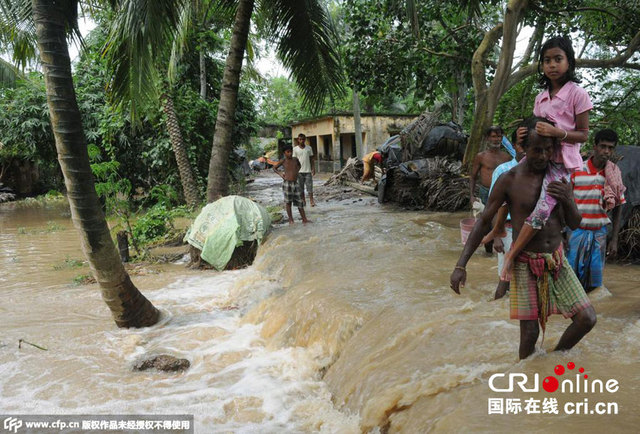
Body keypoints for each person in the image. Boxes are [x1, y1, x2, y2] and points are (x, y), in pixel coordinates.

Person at [450, 117, 596, 360]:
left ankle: (554, 358)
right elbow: (484, 220)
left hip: (556, 259)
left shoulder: (558, 176)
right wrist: (460, 265)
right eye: (536, 150)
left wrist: (568, 200)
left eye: (548, 150)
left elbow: (574, 223)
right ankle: (528, 375)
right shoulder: (510, 179)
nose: (543, 156)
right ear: (523, 149)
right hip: (524, 262)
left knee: (587, 319)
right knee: (529, 334)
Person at [499, 36, 593, 281]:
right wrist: (521, 132)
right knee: (508, 182)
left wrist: (557, 133)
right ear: (541, 65)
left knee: (541, 211)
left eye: (558, 59)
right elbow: (533, 128)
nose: (552, 65)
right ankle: (495, 229)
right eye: (547, 60)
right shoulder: (540, 97)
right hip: (537, 159)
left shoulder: (578, 94)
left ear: (569, 62)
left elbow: (583, 135)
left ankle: (512, 253)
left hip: (560, 163)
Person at [567, 129, 626, 292]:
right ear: (595, 146)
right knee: (571, 278)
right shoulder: (577, 170)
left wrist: (614, 240)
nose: (606, 151)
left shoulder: (613, 175)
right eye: (603, 146)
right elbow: (565, 203)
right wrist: (561, 233)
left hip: (599, 233)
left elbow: (618, 206)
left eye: (610, 148)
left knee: (595, 281)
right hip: (576, 232)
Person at [488, 129, 526, 300]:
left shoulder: (537, 171)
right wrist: (496, 235)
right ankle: (494, 309)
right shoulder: (503, 170)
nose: (525, 148)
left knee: (526, 277)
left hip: (529, 229)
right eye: (521, 144)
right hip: (508, 229)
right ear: (515, 146)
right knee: (505, 276)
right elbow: (493, 206)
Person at [469, 126, 512, 253]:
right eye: (493, 136)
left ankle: (501, 248)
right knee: (486, 223)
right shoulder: (481, 157)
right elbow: (473, 177)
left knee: (501, 220)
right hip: (485, 192)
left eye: (499, 136)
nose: (496, 139)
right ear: (488, 138)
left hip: (502, 193)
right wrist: (471, 196)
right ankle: (488, 252)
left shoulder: (506, 157)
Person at [273, 145, 310, 225]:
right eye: (288, 152)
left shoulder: (295, 159)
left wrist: (296, 172)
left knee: (300, 201)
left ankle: (304, 219)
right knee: (288, 202)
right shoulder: (283, 161)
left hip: (295, 183)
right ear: (284, 153)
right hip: (287, 183)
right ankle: (291, 220)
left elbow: (299, 166)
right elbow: (274, 168)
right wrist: (280, 174)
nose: (290, 153)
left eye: (291, 152)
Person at [293, 133, 316, 207]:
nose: (302, 141)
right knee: (301, 188)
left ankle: (312, 201)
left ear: (305, 140)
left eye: (303, 139)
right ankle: (303, 200)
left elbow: (312, 159)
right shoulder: (295, 149)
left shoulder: (309, 148)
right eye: (300, 139)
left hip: (308, 171)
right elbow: (294, 160)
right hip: (299, 172)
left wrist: (313, 168)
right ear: (298, 140)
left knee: (310, 187)